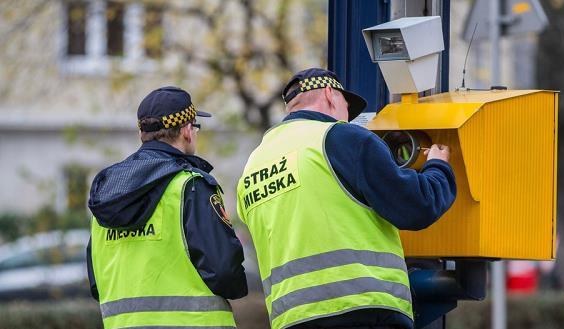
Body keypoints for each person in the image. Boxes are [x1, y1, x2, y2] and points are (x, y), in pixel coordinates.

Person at [236, 68, 456, 329]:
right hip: (362, 309)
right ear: (330, 94)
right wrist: (438, 168)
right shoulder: (338, 137)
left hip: (292, 318)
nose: (348, 119)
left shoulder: (253, 165)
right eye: (346, 108)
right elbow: (418, 205)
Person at [87, 86, 248, 329]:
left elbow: (96, 283)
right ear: (186, 130)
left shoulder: (107, 194)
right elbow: (225, 270)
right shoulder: (190, 186)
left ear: (143, 134)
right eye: (196, 127)